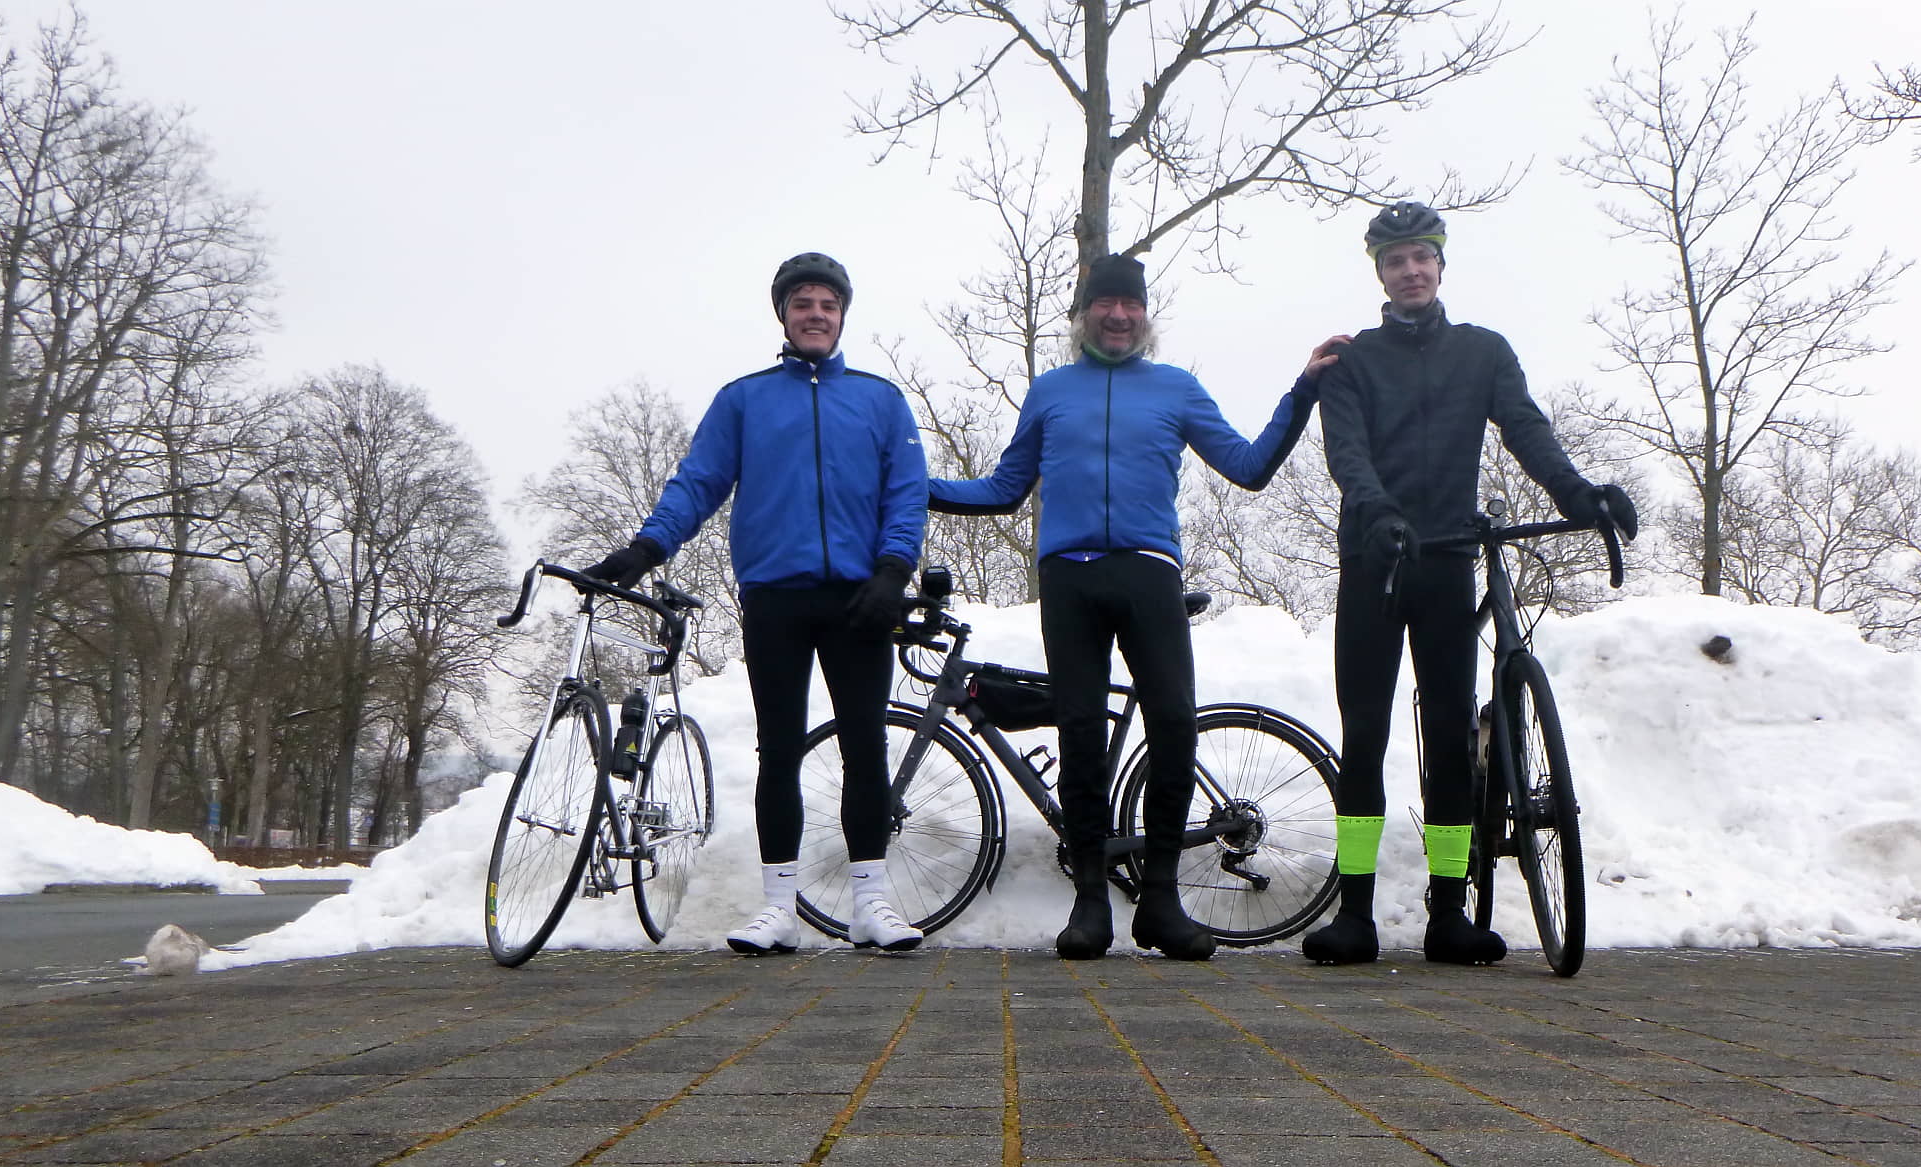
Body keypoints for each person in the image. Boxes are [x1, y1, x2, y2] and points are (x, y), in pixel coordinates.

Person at [930, 253, 1338, 961]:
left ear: (1145, 315)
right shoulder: (1050, 391)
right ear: (1083, 314)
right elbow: (1002, 488)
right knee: (1081, 731)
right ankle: (1091, 901)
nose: (1118, 315)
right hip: (1069, 578)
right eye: (1105, 303)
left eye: (1131, 304)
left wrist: (1302, 391)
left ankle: (1160, 901)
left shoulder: (1175, 387)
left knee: (1174, 724)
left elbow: (1248, 468)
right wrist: (912, 485)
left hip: (1148, 573)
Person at [1304, 202, 1637, 966]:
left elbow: (1525, 429)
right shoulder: (1352, 362)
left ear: (1440, 264)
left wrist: (1579, 495)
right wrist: (1378, 513)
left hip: (1449, 555)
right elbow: (1346, 454)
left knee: (1453, 733)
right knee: (1365, 732)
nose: (1410, 271)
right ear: (1379, 273)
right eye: (1395, 261)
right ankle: (1353, 913)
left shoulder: (1482, 352)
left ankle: (1448, 911)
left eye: (1421, 257)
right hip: (1374, 559)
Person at [582, 252, 928, 955]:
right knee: (780, 750)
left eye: (827, 305)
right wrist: (647, 548)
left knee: (866, 746)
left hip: (861, 598)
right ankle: (778, 908)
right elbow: (698, 482)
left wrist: (894, 570)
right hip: (775, 596)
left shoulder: (880, 399)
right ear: (783, 315)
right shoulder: (744, 399)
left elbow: (906, 491)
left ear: (842, 317)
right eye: (802, 303)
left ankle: (870, 903)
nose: (815, 315)